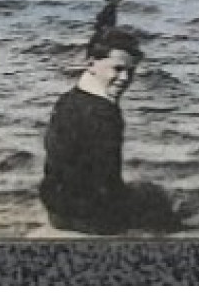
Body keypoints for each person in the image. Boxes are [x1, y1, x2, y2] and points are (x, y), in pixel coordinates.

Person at [39, 28, 180, 235]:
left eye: (130, 72)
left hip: (56, 205)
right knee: (157, 197)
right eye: (118, 69)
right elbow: (106, 181)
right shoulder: (104, 114)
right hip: (87, 216)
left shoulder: (68, 99)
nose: (124, 78)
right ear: (90, 65)